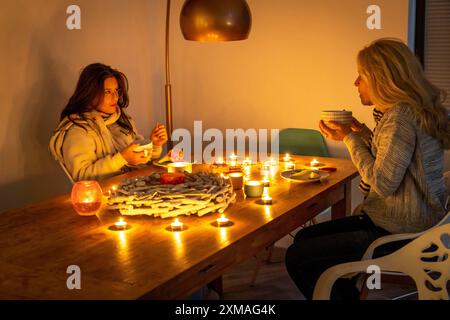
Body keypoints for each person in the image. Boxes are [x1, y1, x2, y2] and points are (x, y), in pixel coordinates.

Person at [285, 38, 449, 300]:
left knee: (298, 256)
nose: (355, 83)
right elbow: (394, 155)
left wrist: (349, 140)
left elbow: (383, 183)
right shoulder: (406, 112)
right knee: (304, 237)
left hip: (400, 229)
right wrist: (359, 131)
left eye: (361, 76)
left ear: (381, 79)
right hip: (415, 219)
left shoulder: (400, 118)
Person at [49, 63, 168, 182]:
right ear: (90, 93)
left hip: (137, 188)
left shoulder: (121, 121)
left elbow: (142, 164)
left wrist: (155, 145)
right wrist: (121, 159)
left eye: (116, 91)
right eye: (107, 92)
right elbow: (82, 177)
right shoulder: (78, 130)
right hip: (107, 196)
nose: (115, 97)